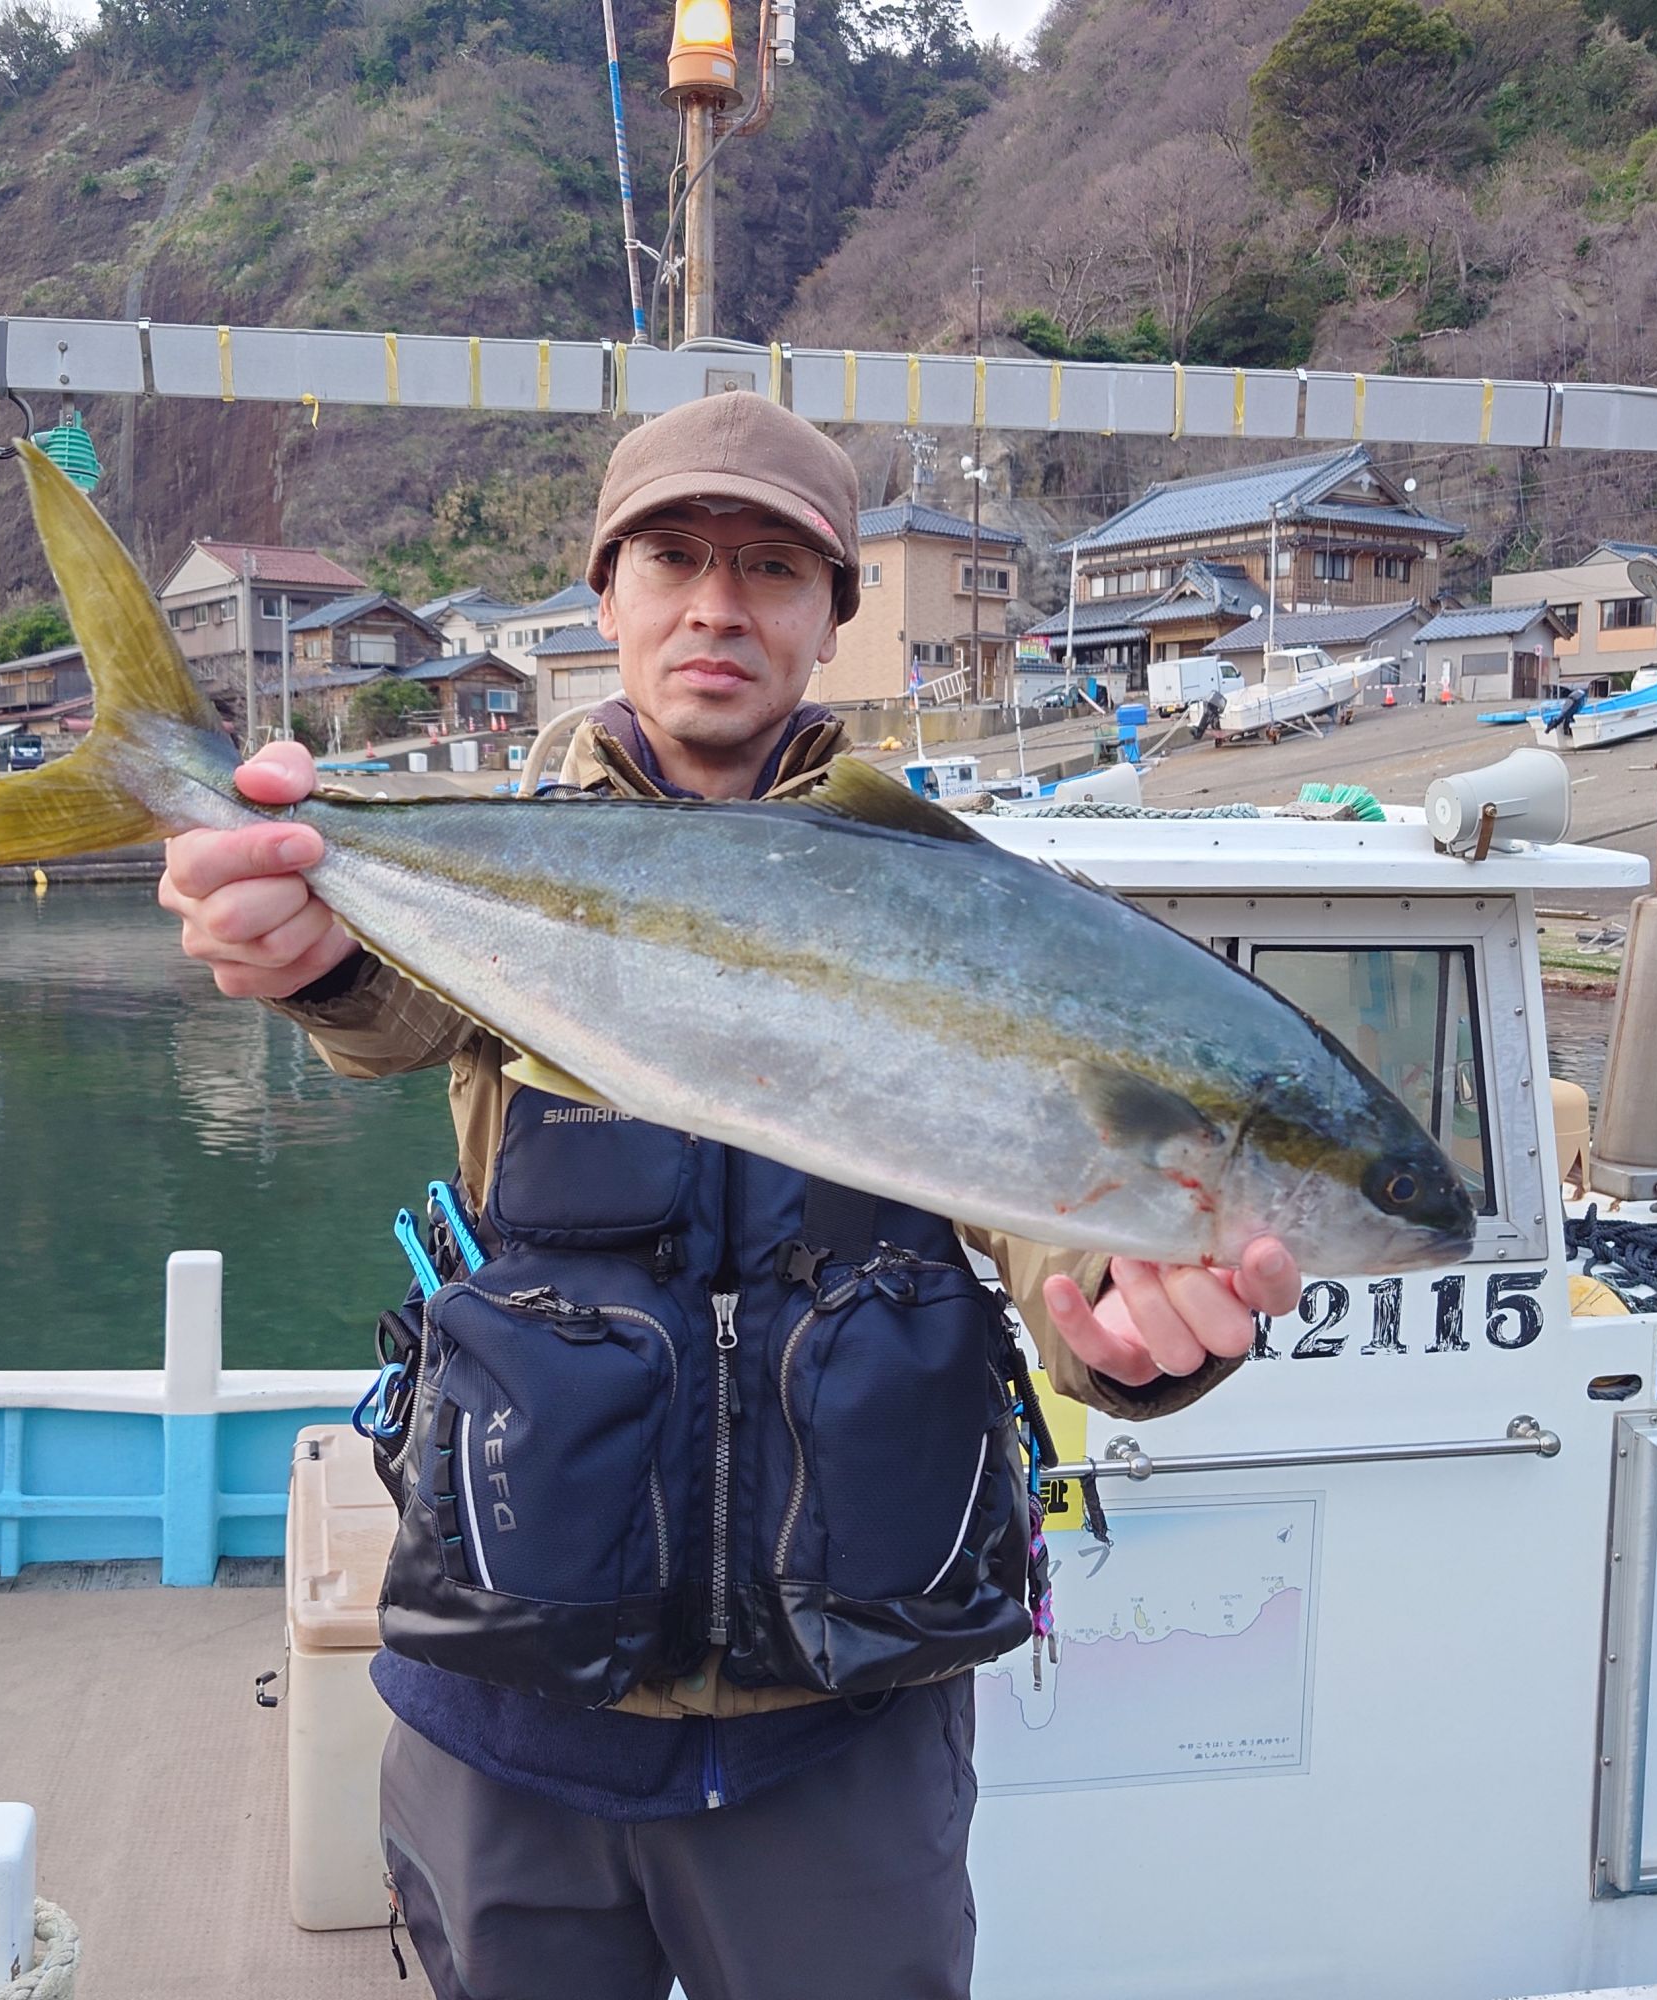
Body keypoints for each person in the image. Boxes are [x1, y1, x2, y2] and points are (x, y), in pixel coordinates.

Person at [158, 393, 1302, 1999]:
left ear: (835, 615)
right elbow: (378, 1007)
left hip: (839, 1733)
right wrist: (298, 944)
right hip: (514, 1702)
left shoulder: (961, 913)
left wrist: (1139, 1328)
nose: (717, 605)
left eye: (771, 567)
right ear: (605, 594)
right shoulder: (494, 868)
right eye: (673, 560)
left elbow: (1061, 1224)